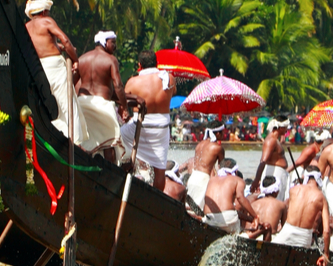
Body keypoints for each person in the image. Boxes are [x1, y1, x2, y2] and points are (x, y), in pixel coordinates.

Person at [65, 30, 124, 158]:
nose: (115, 46)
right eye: (113, 42)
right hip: (102, 106)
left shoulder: (82, 59)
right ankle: (110, 174)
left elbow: (71, 83)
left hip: (82, 103)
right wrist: (124, 107)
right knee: (109, 144)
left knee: (86, 143)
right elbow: (118, 86)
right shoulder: (111, 60)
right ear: (104, 42)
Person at [118, 54, 174, 188]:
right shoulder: (170, 79)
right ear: (157, 63)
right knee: (160, 169)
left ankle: (127, 163)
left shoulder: (133, 81)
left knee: (115, 137)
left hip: (140, 125)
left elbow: (122, 106)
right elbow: (172, 93)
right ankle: (157, 200)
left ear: (139, 65)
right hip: (161, 128)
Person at [24, 0, 77, 118]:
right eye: (48, 12)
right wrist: (75, 60)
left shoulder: (26, 26)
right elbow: (66, 40)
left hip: (37, 67)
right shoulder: (46, 21)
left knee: (46, 101)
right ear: (43, 12)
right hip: (55, 66)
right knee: (65, 102)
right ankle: (70, 135)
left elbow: (40, 44)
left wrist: (60, 47)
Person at [179, 126, 227, 213]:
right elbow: (222, 169)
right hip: (203, 180)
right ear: (218, 133)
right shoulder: (218, 148)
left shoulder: (199, 144)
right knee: (198, 212)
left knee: (188, 209)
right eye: (223, 132)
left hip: (193, 177)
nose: (224, 134)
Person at [200, 161, 250, 231]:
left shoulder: (211, 180)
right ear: (236, 171)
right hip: (228, 220)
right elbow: (240, 198)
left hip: (209, 219)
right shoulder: (238, 180)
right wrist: (255, 217)